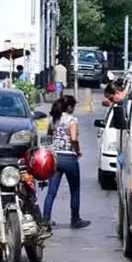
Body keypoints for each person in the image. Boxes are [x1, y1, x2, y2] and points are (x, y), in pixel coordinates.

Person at [42, 95, 90, 230]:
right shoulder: (72, 120)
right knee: (74, 191)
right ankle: (75, 220)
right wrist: (78, 151)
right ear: (69, 107)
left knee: (51, 192)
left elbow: (48, 138)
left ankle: (45, 220)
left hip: (56, 159)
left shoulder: (53, 119)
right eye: (73, 107)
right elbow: (74, 139)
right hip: (69, 158)